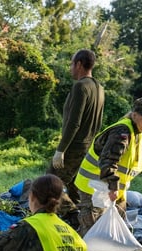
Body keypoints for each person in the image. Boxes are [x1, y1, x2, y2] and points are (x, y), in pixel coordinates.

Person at [74, 96, 142, 251]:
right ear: (135, 115)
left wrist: (117, 189)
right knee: (94, 228)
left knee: (107, 228)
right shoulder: (121, 132)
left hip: (110, 187)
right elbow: (108, 161)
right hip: (95, 187)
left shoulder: (136, 132)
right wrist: (113, 187)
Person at [49, 49, 104, 227]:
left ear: (79, 64)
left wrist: (61, 150)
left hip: (74, 147)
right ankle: (84, 220)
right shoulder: (99, 88)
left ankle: (73, 217)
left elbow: (74, 123)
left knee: (50, 183)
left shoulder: (80, 87)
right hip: (88, 146)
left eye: (72, 63)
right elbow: (98, 122)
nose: (70, 67)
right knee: (75, 187)